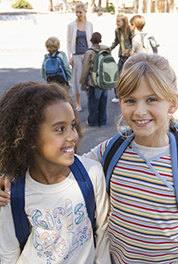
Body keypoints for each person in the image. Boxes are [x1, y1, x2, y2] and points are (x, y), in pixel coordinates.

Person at [1, 55, 178, 263]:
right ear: (120, 102)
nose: (140, 111)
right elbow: (66, 163)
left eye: (152, 99)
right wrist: (12, 173)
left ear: (173, 103)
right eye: (130, 100)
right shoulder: (112, 150)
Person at [0, 81, 111, 264]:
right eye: (60, 129)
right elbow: (8, 253)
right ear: (29, 137)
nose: (72, 136)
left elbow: (103, 234)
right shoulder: (11, 192)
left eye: (73, 125)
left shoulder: (91, 174)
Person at [67, 2, 93, 112]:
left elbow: (91, 40)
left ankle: (89, 100)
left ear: (85, 12)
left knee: (88, 79)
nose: (78, 14)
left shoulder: (89, 24)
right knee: (77, 80)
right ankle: (77, 103)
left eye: (80, 12)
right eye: (76, 12)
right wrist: (69, 56)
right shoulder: (71, 25)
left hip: (88, 55)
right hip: (76, 55)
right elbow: (68, 42)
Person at [80, 32, 110, 127]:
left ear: (91, 40)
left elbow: (85, 69)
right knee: (103, 102)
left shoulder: (89, 52)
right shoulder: (106, 50)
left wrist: (84, 82)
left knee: (93, 102)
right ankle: (102, 121)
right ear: (100, 40)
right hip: (105, 81)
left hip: (94, 82)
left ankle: (93, 121)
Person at [110, 14, 132, 103]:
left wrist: (130, 50)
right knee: (117, 76)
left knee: (129, 77)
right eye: (116, 21)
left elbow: (133, 42)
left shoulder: (129, 30)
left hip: (129, 57)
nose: (117, 23)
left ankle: (129, 96)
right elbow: (115, 42)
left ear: (124, 22)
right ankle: (117, 96)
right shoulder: (117, 30)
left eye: (118, 21)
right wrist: (109, 49)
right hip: (122, 56)